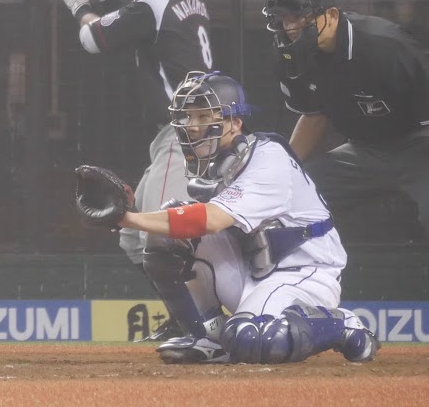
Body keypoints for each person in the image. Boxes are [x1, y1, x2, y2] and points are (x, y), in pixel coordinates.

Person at [112, 71, 378, 364]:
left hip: (304, 271)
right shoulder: (216, 163)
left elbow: (211, 220)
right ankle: (207, 336)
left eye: (204, 116)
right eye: (188, 117)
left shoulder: (268, 158)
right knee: (168, 235)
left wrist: (127, 218)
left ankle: (343, 324)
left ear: (235, 122)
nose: (193, 126)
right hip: (254, 269)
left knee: (252, 338)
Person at [61, 0, 214, 339]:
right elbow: (141, 24)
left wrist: (80, 5)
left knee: (160, 236)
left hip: (185, 134)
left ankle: (199, 322)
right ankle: (186, 314)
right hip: (190, 132)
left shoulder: (151, 8)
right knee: (133, 235)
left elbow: (94, 38)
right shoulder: (185, 0)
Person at [263, 0, 429, 240]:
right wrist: (285, 170)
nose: (290, 27)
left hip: (419, 146)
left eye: (299, 17)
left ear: (331, 15)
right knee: (290, 193)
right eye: (283, 19)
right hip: (363, 151)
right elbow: (314, 116)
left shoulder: (385, 45)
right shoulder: (288, 53)